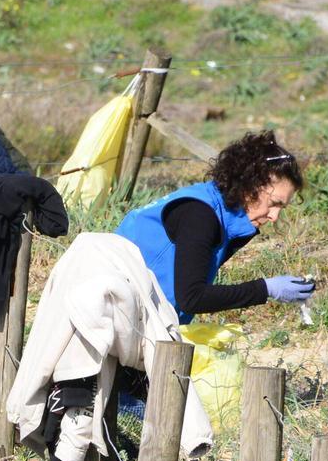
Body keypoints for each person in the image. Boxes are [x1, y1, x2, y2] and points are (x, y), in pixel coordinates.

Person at [115, 129, 313, 325]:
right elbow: (192, 297)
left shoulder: (221, 214)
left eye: (282, 208)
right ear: (250, 185)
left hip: (133, 315)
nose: (274, 216)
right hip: (111, 312)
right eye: (274, 203)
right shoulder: (200, 215)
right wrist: (266, 289)